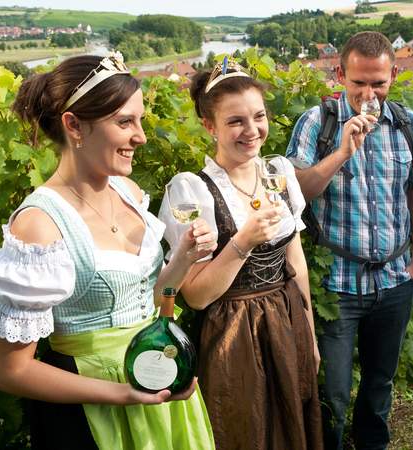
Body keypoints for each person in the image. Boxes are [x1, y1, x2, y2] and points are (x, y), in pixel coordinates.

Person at [0, 54, 215, 450]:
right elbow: (11, 371)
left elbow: (150, 300)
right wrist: (122, 394)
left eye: (140, 120)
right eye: (124, 122)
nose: (140, 136)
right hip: (94, 413)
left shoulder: (130, 193)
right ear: (74, 125)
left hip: (157, 391)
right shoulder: (39, 224)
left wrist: (184, 258)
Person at [159, 59, 323, 450]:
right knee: (242, 429)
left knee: (290, 426)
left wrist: (310, 337)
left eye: (259, 117)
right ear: (209, 126)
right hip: (231, 335)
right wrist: (242, 243)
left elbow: (295, 264)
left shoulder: (278, 173)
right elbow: (196, 295)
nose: (252, 131)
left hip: (286, 321)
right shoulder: (191, 192)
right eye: (236, 121)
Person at [286, 31, 413, 449]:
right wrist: (342, 153)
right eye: (359, 83)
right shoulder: (318, 122)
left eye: (378, 83)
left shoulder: (408, 124)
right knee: (332, 392)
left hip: (393, 281)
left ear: (393, 76)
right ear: (340, 75)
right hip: (338, 285)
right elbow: (298, 193)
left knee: (379, 384)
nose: (369, 93)